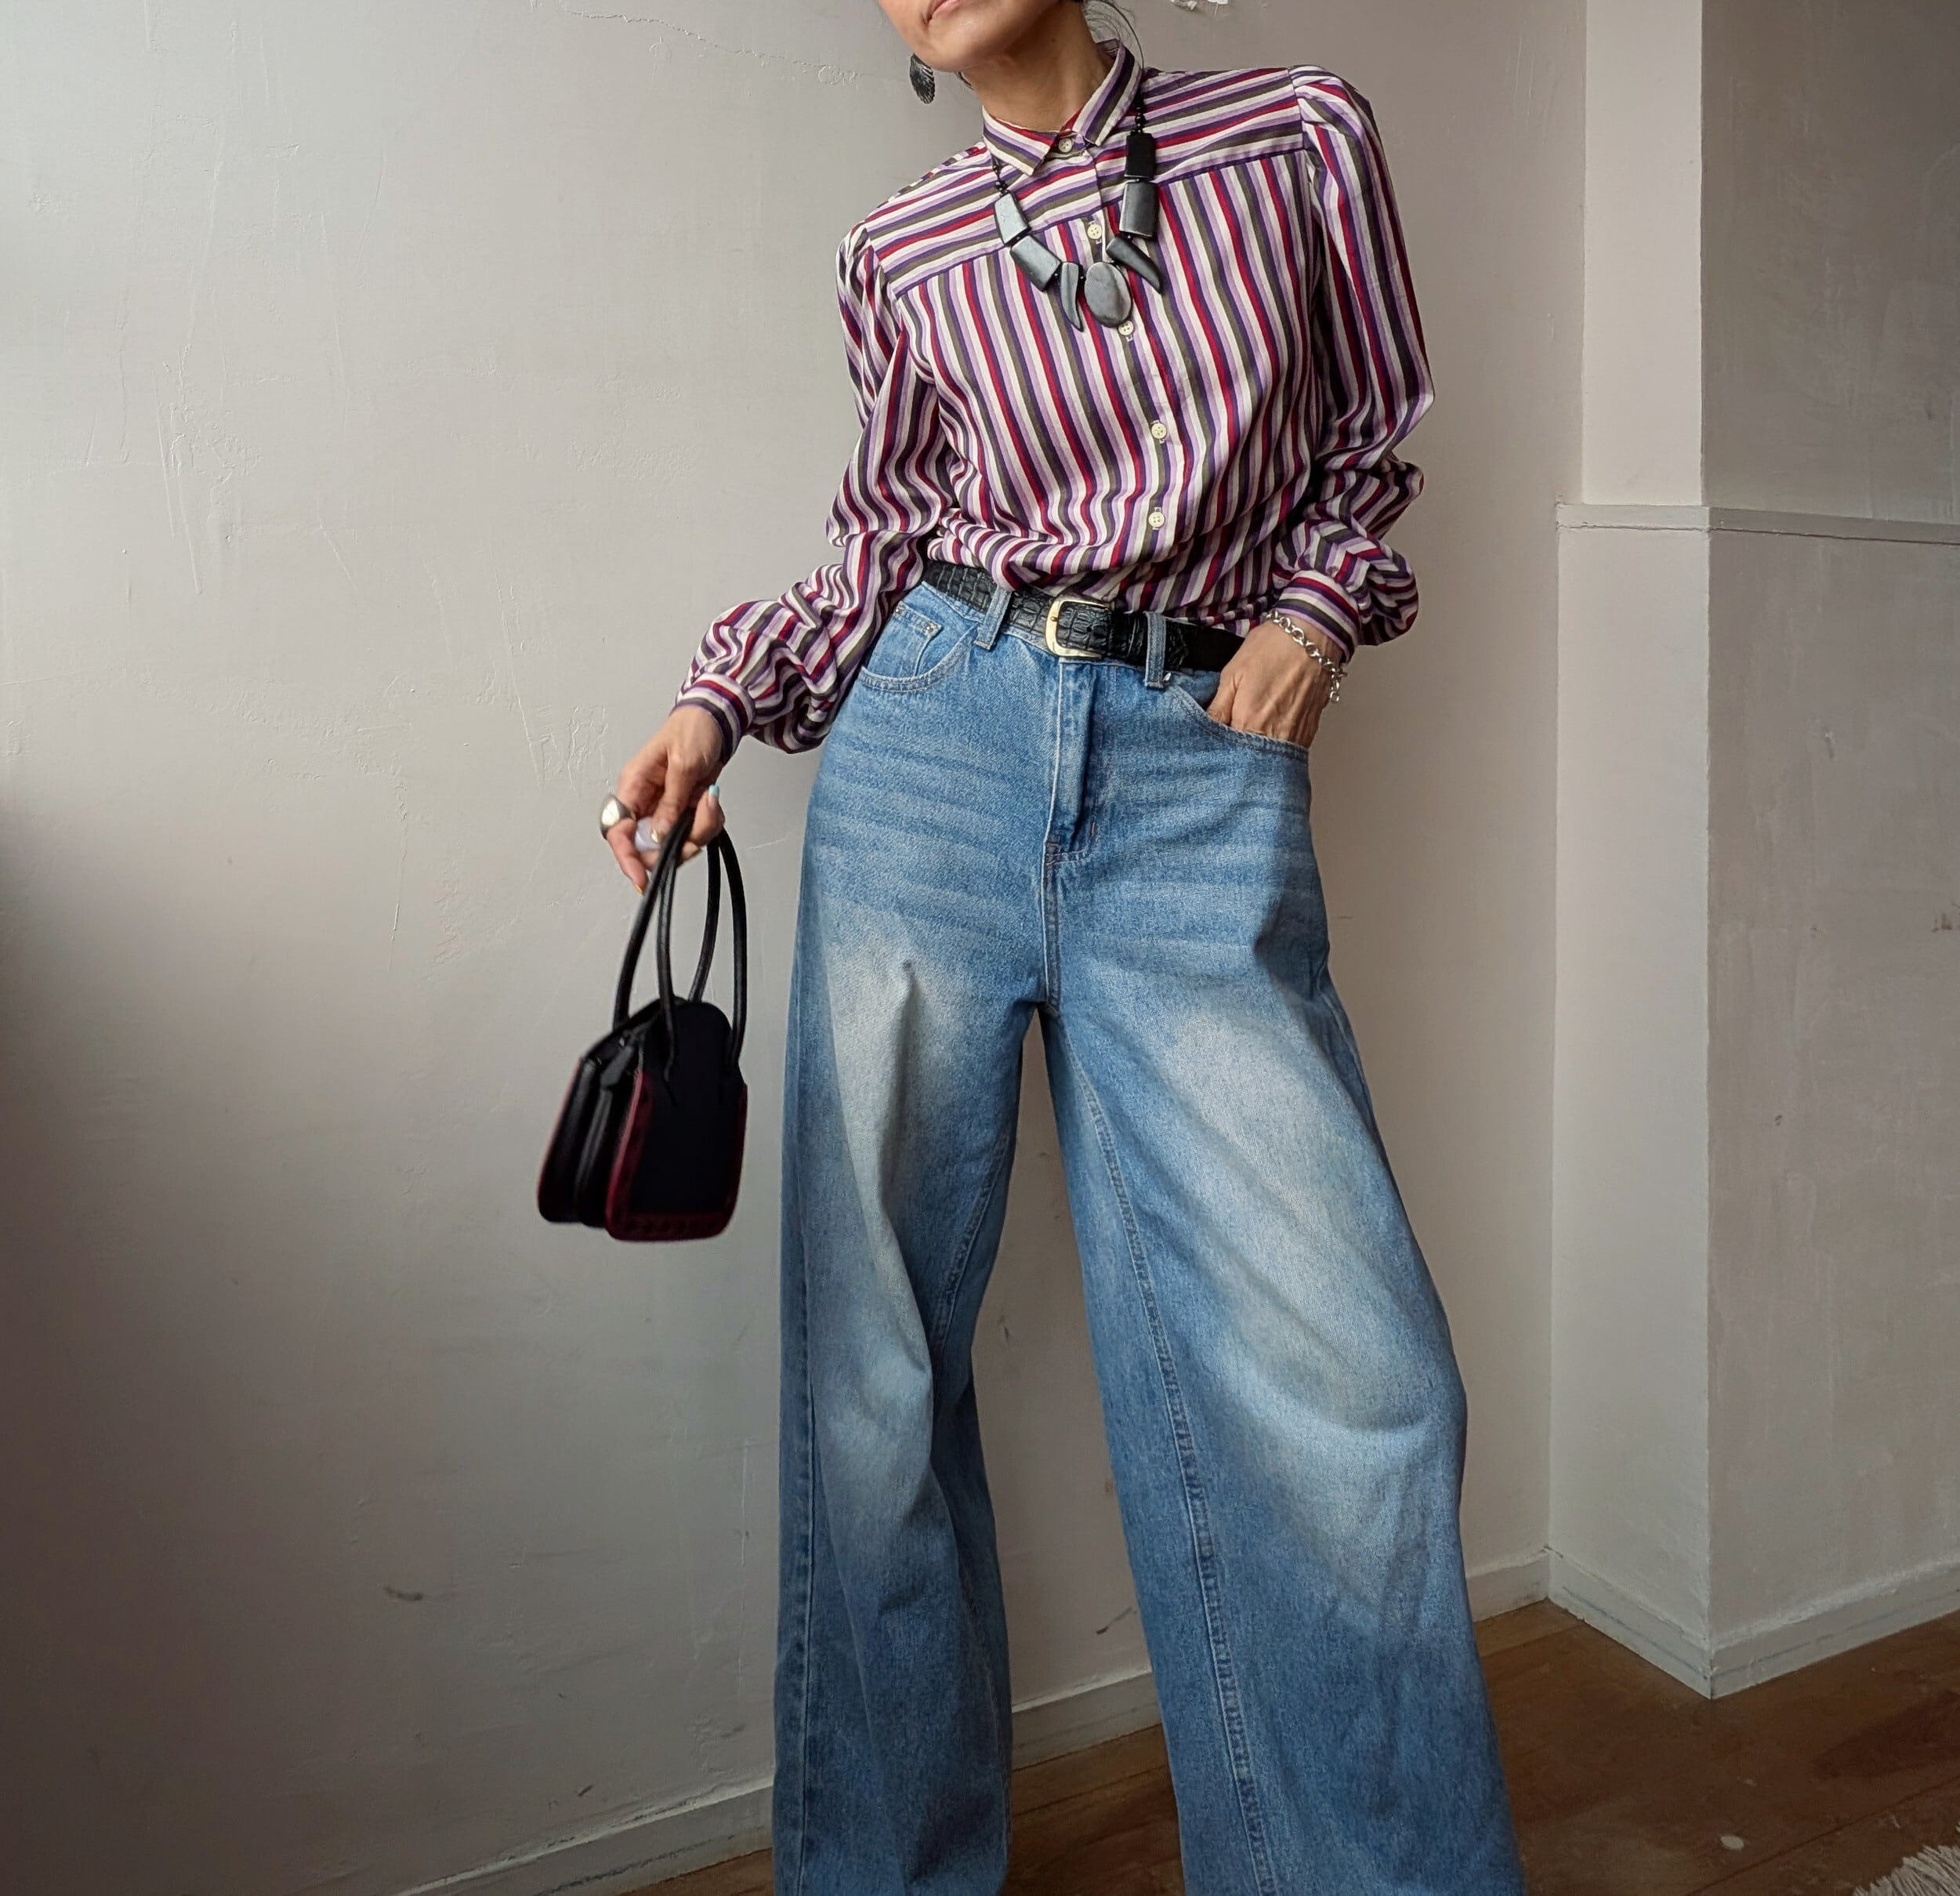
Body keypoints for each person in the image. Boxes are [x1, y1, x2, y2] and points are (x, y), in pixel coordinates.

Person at [600, 2, 1530, 1889]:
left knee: (1352, 1392)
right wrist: (721, 700)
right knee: (871, 1379)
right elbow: (881, 541)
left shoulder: (1300, 134)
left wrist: (1316, 615)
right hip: (929, 752)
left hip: (1196, 776)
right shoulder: (899, 250)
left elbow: (1370, 450)